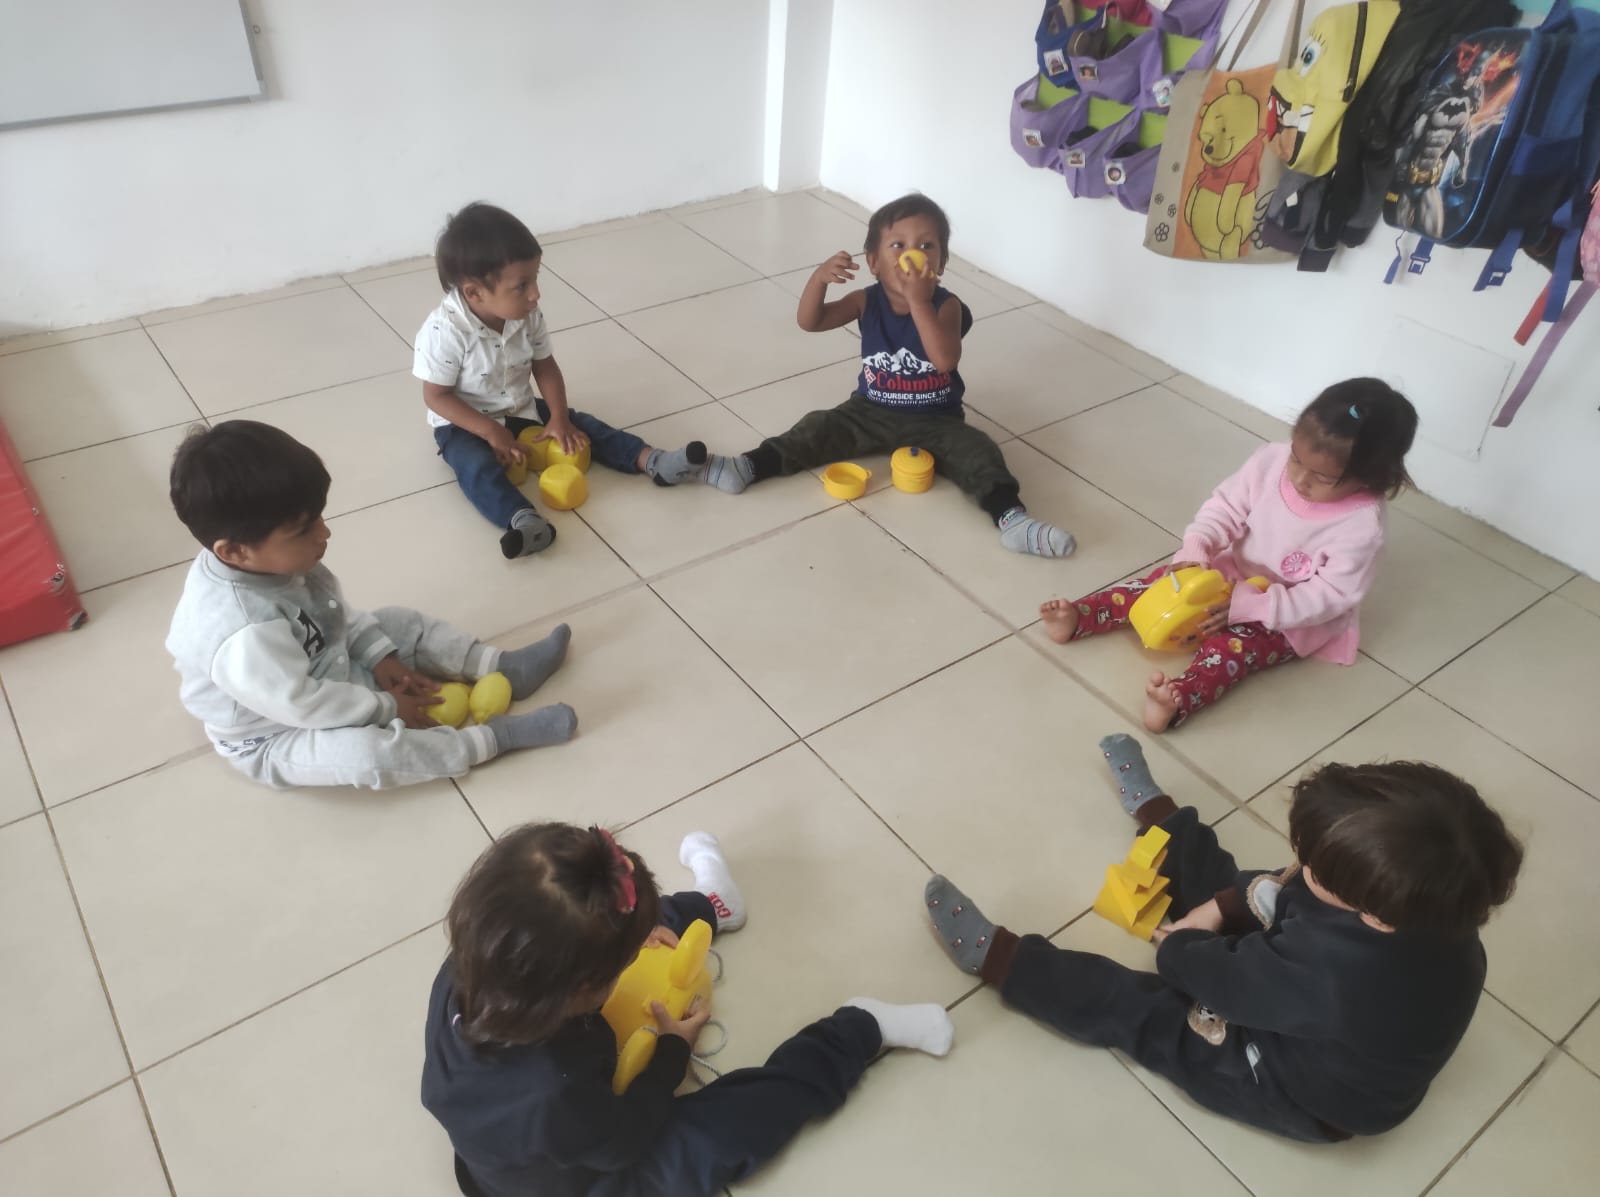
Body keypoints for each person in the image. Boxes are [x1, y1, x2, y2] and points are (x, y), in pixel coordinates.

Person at [922, 734, 1522, 1143]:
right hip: (1324, 1016)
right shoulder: (1430, 910)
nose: (1300, 862)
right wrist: (1218, 906)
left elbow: (1216, 979)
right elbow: (1286, 887)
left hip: (1299, 1092)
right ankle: (1163, 821)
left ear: (1376, 914)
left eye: (1315, 862)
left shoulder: (1330, 979)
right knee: (1238, 884)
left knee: (1145, 1012)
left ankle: (1003, 959)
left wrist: (1180, 945)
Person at [423, 823, 956, 1197]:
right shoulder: (554, 1093)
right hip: (588, 1181)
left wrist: (631, 943)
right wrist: (671, 1054)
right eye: (622, 965)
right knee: (724, 1134)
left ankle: (714, 904)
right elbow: (623, 1141)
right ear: (581, 989)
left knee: (607, 924)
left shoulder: (471, 965)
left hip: (527, 1136)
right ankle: (857, 1030)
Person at [165, 420, 576, 790]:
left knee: (397, 621)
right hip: (280, 730)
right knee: (367, 755)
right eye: (304, 530)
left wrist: (380, 657)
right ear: (235, 551)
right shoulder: (242, 632)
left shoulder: (271, 559)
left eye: (319, 517)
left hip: (321, 665)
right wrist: (387, 706)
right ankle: (494, 739)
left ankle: (503, 667)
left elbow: (334, 614)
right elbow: (304, 704)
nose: (325, 533)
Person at [697, 193, 1077, 558]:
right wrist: (818, 280)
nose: (913, 253)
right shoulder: (865, 300)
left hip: (937, 418)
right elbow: (811, 322)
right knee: (816, 428)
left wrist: (918, 300)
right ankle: (748, 466)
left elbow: (944, 360)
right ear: (874, 262)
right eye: (898, 245)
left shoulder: (948, 307)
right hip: (869, 410)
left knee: (979, 451)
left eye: (926, 245)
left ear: (941, 263)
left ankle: (1013, 520)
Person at [1040, 378, 1418, 730]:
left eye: (1323, 478)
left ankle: (1179, 700)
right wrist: (1197, 547)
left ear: (1371, 478)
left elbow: (1330, 597)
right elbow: (1225, 509)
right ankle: (1082, 616)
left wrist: (1254, 607)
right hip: (1232, 573)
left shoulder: (1361, 527)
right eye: (1296, 459)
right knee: (1158, 583)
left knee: (1233, 649)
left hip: (1287, 616)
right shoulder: (1270, 462)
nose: (1299, 479)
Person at [415, 202, 711, 559]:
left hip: (518, 405)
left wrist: (558, 417)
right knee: (474, 466)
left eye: (536, 278)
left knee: (583, 426)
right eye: (522, 285)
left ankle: (652, 461)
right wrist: (490, 432)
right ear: (475, 293)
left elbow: (545, 366)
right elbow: (437, 396)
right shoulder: (444, 331)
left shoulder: (526, 313)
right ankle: (521, 519)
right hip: (463, 422)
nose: (535, 293)